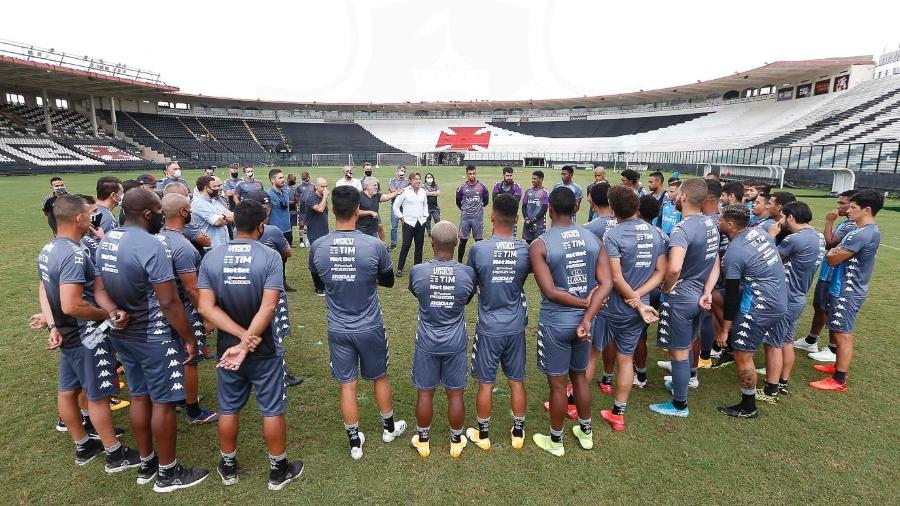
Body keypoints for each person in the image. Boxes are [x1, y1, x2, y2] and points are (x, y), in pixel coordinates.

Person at [96, 188, 208, 492]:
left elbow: (99, 288)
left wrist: (112, 310)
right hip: (154, 335)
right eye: (159, 209)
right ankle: (168, 473)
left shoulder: (107, 240)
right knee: (164, 403)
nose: (162, 213)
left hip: (123, 336)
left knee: (139, 396)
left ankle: (146, 463)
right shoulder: (152, 245)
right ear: (148, 214)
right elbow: (170, 302)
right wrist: (189, 338)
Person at [197, 199, 304, 490]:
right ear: (261, 226)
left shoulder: (211, 257)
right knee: (272, 409)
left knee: (228, 408)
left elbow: (206, 308)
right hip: (263, 347)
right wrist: (247, 342)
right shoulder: (269, 257)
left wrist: (238, 339)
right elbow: (268, 308)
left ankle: (228, 466)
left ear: (233, 224)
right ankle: (277, 470)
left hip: (227, 348)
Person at [36, 194, 141, 470]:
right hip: (86, 336)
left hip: (67, 336)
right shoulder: (73, 253)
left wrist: (53, 325)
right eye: (89, 213)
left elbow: (44, 290)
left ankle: (83, 446)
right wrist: (105, 314)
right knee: (96, 394)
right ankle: (115, 455)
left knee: (68, 390)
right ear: (79, 218)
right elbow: (72, 304)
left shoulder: (49, 249)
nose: (93, 218)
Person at [309, 186, 408, 460]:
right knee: (379, 376)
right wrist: (365, 277)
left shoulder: (319, 246)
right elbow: (387, 281)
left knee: (347, 384)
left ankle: (355, 442)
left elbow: (320, 283)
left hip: (338, 327)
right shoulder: (373, 244)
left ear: (332, 211)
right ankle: (389, 428)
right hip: (370, 326)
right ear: (356, 211)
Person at [531, 187, 611, 457]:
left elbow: (551, 292)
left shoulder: (540, 244)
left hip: (555, 323)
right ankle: (586, 433)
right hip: (584, 325)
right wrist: (588, 314)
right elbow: (607, 283)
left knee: (556, 385)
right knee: (580, 378)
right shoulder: (593, 238)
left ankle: (556, 441)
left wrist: (581, 305)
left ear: (549, 210)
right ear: (576, 208)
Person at [580, 187, 664, 432]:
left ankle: (574, 404)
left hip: (614, 307)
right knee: (625, 360)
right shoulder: (655, 232)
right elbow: (661, 272)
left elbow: (615, 278)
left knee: (591, 355)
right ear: (637, 207)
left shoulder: (613, 235)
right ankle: (618, 414)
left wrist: (635, 300)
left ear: (613, 209)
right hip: (639, 309)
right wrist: (639, 298)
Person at [465, 194, 531, 450]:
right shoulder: (525, 249)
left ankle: (483, 435)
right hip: (515, 324)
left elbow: (470, 287)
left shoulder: (479, 249)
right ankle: (518, 433)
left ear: (491, 216)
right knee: (516, 380)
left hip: (489, 326)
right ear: (517, 219)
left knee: (486, 382)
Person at [649, 179, 719, 418]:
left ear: (684, 197)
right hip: (700, 295)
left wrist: (667, 287)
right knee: (687, 345)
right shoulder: (711, 224)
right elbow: (716, 264)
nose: (675, 196)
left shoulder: (682, 229)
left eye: (678, 193)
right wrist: (708, 291)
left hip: (682, 298)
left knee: (678, 352)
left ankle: (679, 404)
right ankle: (681, 384)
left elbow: (675, 268)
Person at [408, 221, 476, 459]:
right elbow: (466, 299)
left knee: (425, 393)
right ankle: (456, 441)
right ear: (456, 243)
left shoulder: (418, 272)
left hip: (427, 340)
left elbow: (418, 294)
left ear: (432, 243)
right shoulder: (467, 273)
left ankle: (423, 440)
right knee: (455, 393)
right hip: (455, 341)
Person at [714, 205, 786, 418]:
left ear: (729, 224)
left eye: (720, 220)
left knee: (742, 354)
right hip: (779, 299)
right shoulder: (758, 232)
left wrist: (725, 330)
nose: (717, 223)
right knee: (766, 346)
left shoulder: (734, 253)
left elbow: (733, 295)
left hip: (759, 306)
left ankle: (748, 407)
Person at [809, 190, 882, 392]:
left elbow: (832, 258)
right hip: (842, 287)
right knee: (839, 329)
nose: (848, 210)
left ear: (866, 210)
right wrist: (834, 252)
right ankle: (837, 366)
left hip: (848, 291)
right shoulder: (859, 230)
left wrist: (832, 253)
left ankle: (839, 379)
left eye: (853, 207)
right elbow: (834, 250)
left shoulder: (864, 233)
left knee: (843, 333)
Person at [157, 194, 219, 424]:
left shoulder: (158, 237)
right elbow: (192, 289)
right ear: (183, 212)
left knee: (174, 354)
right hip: (184, 309)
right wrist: (208, 316)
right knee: (190, 358)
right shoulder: (182, 245)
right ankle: (192, 409)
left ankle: (177, 396)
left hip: (164, 308)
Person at [757, 201, 824, 402]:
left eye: (782, 217)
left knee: (772, 344)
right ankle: (783, 382)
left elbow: (769, 260)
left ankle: (771, 389)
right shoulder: (818, 236)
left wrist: (770, 236)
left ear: (791, 218)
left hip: (785, 297)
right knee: (786, 341)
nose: (780, 221)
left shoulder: (794, 239)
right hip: (798, 296)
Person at [241, 191, 303, 386]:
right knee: (274, 335)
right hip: (269, 291)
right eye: (266, 208)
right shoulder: (272, 231)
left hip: (243, 291)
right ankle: (280, 375)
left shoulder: (238, 230)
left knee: (248, 330)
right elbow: (288, 252)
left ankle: (248, 369)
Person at [794, 190, 858, 359]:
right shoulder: (845, 224)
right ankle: (811, 340)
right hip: (827, 271)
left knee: (829, 308)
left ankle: (833, 348)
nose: (839, 207)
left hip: (835, 274)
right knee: (819, 305)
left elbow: (829, 242)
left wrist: (829, 221)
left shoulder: (852, 225)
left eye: (842, 204)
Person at [583, 182, 617, 397]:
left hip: (599, 295)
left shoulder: (588, 229)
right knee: (612, 339)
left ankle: (577, 399)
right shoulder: (624, 223)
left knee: (591, 352)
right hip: (622, 294)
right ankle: (607, 379)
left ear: (591, 201)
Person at [393, 172, 429, 277]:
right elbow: (395, 206)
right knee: (406, 245)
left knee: (419, 246)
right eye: (415, 179)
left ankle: (417, 269)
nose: (418, 181)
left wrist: (425, 216)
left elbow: (425, 205)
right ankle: (400, 268)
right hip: (408, 223)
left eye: (419, 179)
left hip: (420, 222)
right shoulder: (404, 191)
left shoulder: (423, 191)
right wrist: (401, 217)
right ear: (410, 181)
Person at [455, 165, 490, 263]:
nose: (472, 175)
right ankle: (459, 262)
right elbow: (458, 202)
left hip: (477, 219)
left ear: (476, 173)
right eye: (470, 174)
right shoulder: (461, 188)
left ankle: (479, 262)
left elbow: (486, 201)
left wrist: (478, 209)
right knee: (462, 241)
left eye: (473, 173)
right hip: (465, 219)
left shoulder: (482, 187)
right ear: (466, 174)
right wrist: (464, 210)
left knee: (478, 242)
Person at [191, 175, 233, 248]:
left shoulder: (214, 201)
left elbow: (233, 216)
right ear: (206, 188)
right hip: (210, 248)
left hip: (223, 245)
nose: (218, 189)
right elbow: (218, 222)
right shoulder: (198, 203)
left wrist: (223, 217)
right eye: (214, 187)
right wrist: (225, 217)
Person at [305, 177, 330, 295]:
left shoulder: (321, 198)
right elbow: (319, 209)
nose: (325, 189)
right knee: (315, 259)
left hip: (324, 232)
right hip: (314, 233)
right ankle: (318, 286)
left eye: (326, 186)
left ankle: (323, 282)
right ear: (316, 186)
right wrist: (325, 196)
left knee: (324, 258)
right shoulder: (311, 198)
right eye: (322, 186)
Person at [521, 170, 549, 244]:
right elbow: (524, 206)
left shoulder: (545, 192)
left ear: (541, 179)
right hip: (527, 224)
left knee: (537, 245)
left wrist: (533, 219)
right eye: (532, 178)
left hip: (539, 225)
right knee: (527, 244)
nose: (532, 180)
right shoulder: (528, 191)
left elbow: (544, 209)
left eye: (535, 179)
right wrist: (526, 218)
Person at [267, 169, 293, 247]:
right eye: (280, 178)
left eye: (283, 177)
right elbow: (266, 215)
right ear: (272, 180)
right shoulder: (268, 195)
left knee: (285, 258)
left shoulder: (285, 193)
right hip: (275, 232)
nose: (283, 180)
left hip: (287, 230)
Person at [387, 166, 410, 251]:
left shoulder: (407, 181)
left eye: (404, 171)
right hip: (394, 206)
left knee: (406, 225)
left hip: (404, 206)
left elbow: (408, 191)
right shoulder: (392, 181)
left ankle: (406, 242)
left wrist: (398, 191)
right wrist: (400, 191)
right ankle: (393, 244)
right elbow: (392, 190)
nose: (402, 172)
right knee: (394, 226)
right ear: (397, 171)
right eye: (401, 170)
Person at [295, 172, 314, 248]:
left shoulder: (313, 186)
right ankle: (301, 241)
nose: (304, 180)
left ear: (309, 177)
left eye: (306, 178)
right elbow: (296, 196)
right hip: (302, 209)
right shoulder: (299, 187)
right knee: (301, 225)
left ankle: (310, 239)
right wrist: (298, 202)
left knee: (311, 225)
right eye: (303, 179)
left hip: (311, 209)